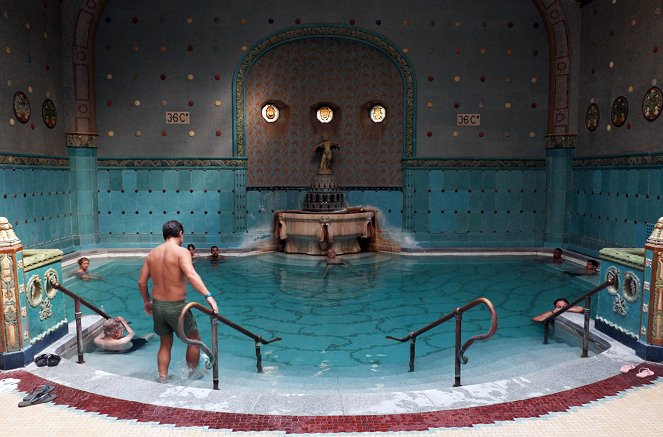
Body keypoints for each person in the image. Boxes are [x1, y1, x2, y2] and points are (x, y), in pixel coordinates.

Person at [138, 220, 219, 382]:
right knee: (194, 341)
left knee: (165, 343)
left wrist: (147, 301)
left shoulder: (152, 254)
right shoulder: (182, 252)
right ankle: (191, 375)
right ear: (180, 234)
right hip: (177, 307)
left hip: (158, 306)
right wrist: (208, 296)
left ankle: (162, 377)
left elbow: (141, 282)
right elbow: (191, 274)